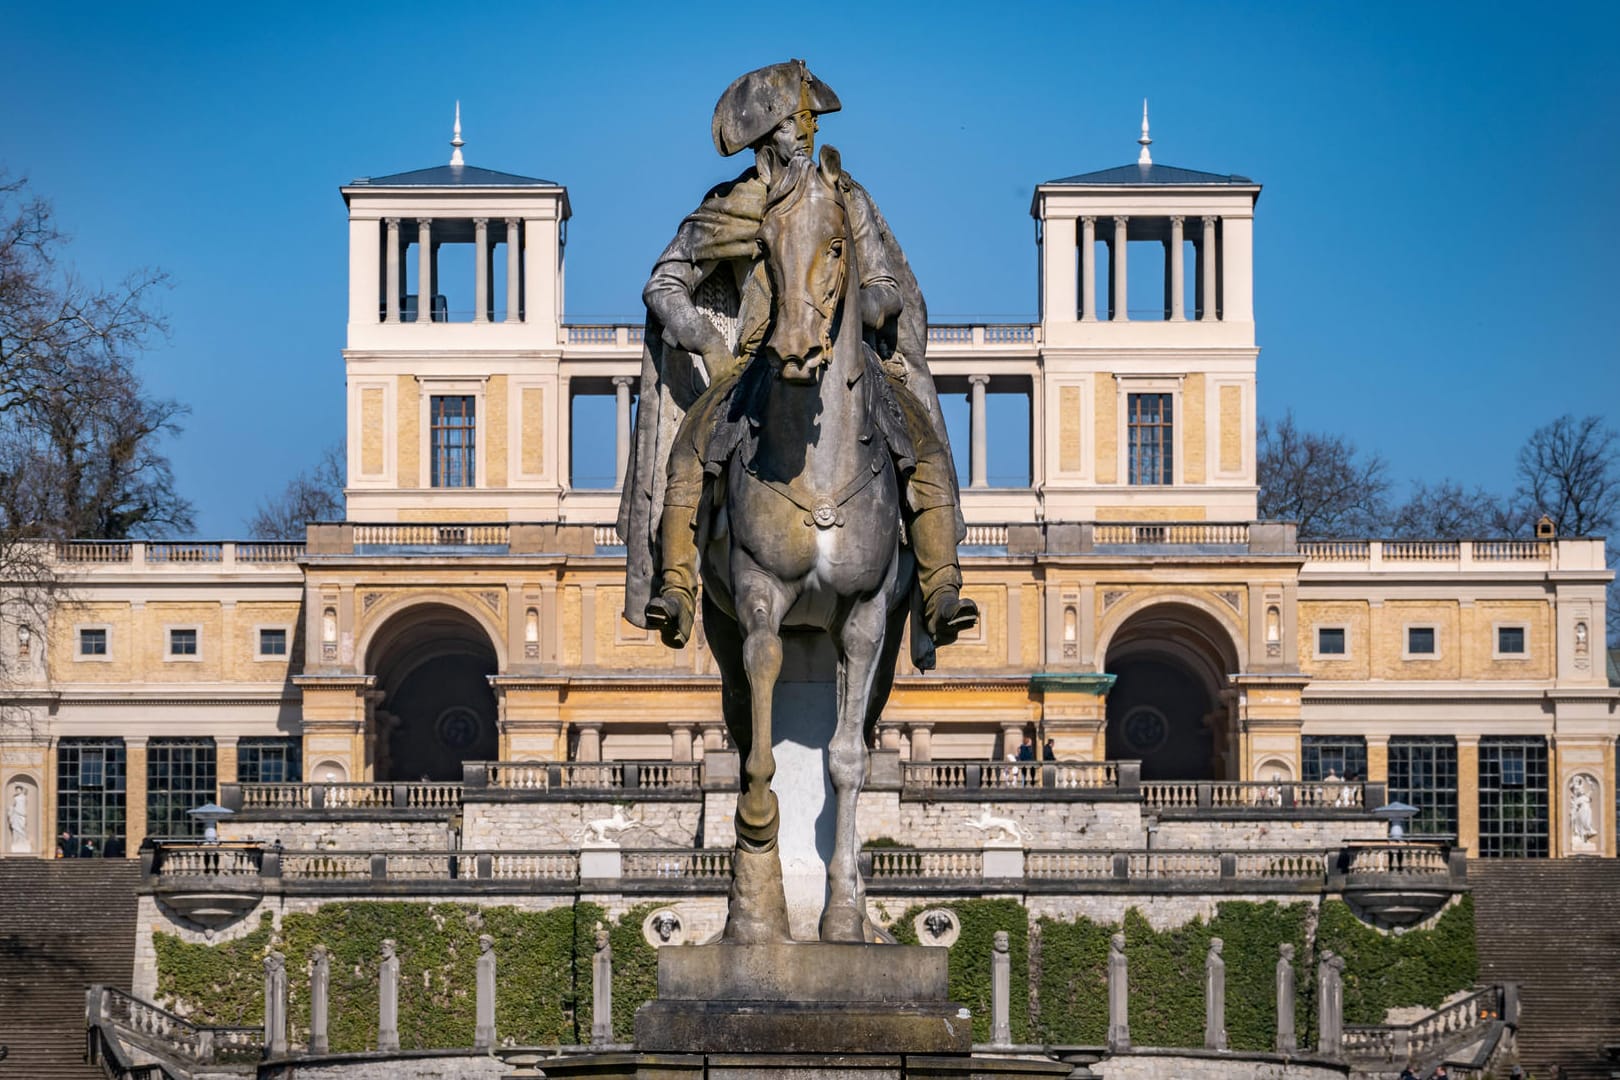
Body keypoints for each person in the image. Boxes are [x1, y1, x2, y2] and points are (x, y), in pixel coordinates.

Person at [620, 59, 976, 652]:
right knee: (688, 454)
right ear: (766, 135)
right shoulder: (734, 205)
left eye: (810, 120)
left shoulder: (845, 196)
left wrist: (855, 308)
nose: (807, 132)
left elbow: (887, 284)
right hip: (756, 363)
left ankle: (940, 586)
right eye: (795, 121)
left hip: (844, 356)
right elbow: (664, 284)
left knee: (925, 446)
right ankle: (678, 584)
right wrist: (708, 341)